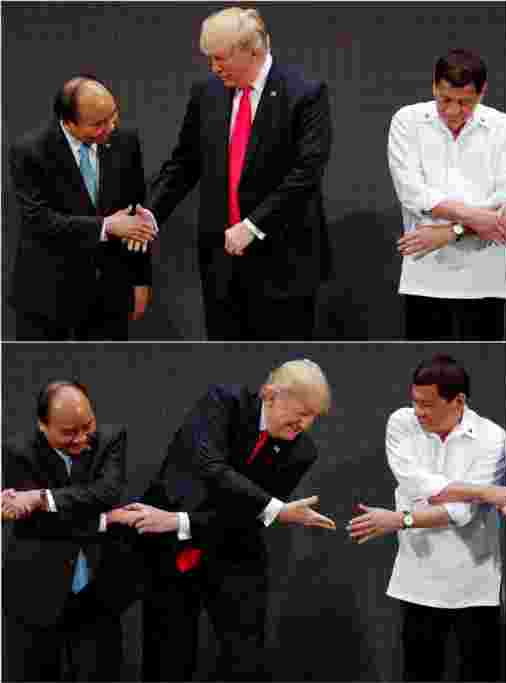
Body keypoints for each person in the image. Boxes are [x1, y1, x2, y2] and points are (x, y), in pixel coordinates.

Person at [69, 359, 337, 682]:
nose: (305, 425)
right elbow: (210, 466)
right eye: (301, 412)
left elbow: (245, 516)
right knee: (168, 657)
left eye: (313, 418)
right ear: (270, 393)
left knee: (246, 662)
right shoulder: (222, 403)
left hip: (231, 547)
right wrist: (276, 508)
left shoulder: (302, 452)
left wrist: (180, 521)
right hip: (165, 544)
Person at [147, 7, 332, 340]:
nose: (214, 67)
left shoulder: (304, 93)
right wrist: (150, 215)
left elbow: (307, 171)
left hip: (283, 260)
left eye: (221, 58)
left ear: (255, 51)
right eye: (209, 59)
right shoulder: (207, 93)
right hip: (222, 263)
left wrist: (253, 225)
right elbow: (185, 163)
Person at [348, 354, 506, 681]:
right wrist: (485, 492)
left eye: (428, 404)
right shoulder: (401, 422)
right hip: (416, 580)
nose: (418, 411)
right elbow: (415, 484)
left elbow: (460, 513)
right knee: (419, 673)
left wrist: (401, 519)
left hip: (474, 584)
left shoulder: (493, 439)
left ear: (458, 401)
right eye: (415, 401)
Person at [1, 381, 136, 681]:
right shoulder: (16, 452)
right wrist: (106, 521)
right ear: (42, 426)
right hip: (36, 592)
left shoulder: (111, 438)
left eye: (87, 426)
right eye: (68, 433)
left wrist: (40, 498)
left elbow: (106, 492)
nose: (82, 438)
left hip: (97, 591)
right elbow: (39, 524)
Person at [7, 76, 157, 340]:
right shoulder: (30, 152)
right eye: (99, 124)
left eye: (113, 115)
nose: (111, 127)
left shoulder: (126, 142)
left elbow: (136, 214)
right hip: (48, 295)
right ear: (68, 122)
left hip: (110, 294)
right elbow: (39, 221)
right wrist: (107, 226)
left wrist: (140, 279)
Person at [387, 49, 506, 340]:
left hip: (484, 276)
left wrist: (451, 232)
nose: (453, 111)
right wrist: (474, 216)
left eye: (464, 103)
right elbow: (413, 194)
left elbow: (503, 205)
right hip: (424, 270)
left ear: (482, 93)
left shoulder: (503, 127)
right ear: (434, 85)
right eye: (445, 99)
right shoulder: (407, 121)